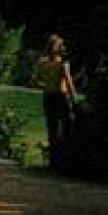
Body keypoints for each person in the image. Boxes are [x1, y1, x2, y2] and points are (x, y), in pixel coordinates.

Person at [33, 34, 78, 169]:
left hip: (48, 96)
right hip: (60, 96)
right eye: (61, 45)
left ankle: (53, 160)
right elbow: (68, 81)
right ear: (57, 48)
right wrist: (74, 97)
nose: (64, 47)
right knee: (67, 126)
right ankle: (65, 159)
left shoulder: (42, 62)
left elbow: (35, 80)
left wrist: (46, 85)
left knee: (51, 128)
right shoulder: (63, 63)